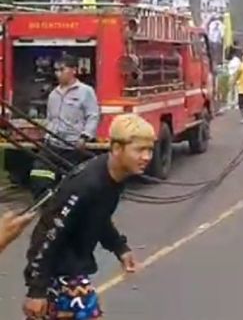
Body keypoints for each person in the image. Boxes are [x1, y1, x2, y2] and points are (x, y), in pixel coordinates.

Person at [22, 114, 153, 320]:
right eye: (139, 150)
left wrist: (119, 247)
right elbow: (49, 232)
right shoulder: (87, 185)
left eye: (150, 150)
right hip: (60, 274)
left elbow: (98, 216)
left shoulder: (113, 177)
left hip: (72, 270)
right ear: (117, 149)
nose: (147, 157)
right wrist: (36, 290)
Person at [30, 54, 99, 198]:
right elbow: (51, 118)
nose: (58, 73)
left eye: (62, 69)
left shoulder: (85, 92)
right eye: (56, 70)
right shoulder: (53, 94)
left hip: (72, 147)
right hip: (52, 144)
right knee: (38, 176)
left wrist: (85, 137)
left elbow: (93, 115)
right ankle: (45, 203)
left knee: (71, 183)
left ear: (74, 70)